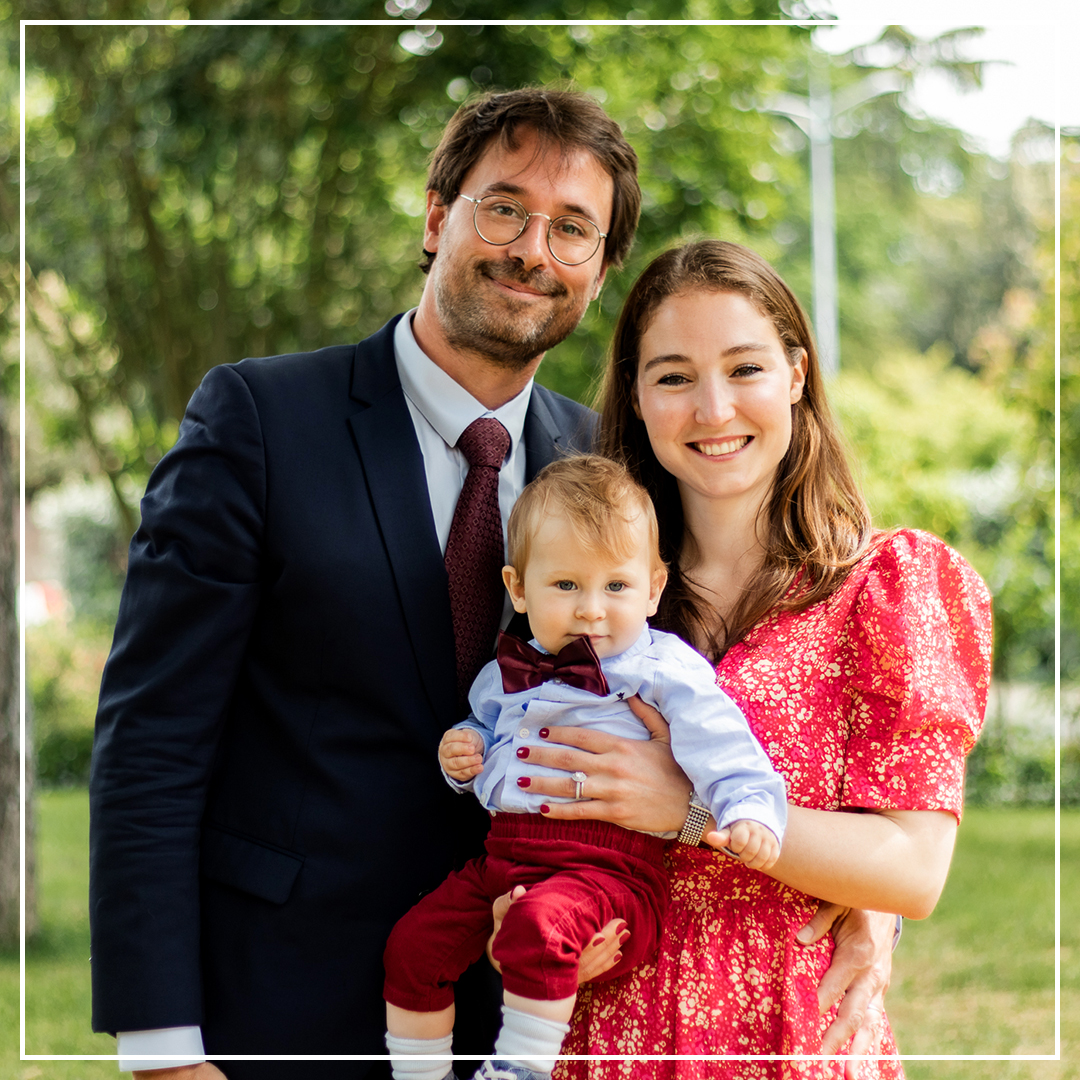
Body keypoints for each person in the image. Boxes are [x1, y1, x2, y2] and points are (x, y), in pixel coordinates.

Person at [88, 87, 648, 1080]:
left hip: (532, 1010)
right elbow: (153, 741)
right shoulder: (258, 419)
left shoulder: (608, 461)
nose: (532, 250)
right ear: (438, 217)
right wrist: (161, 1046)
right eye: (505, 206)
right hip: (280, 1006)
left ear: (600, 271)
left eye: (573, 231)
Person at [509, 240, 991, 1079]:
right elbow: (525, 790)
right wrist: (515, 917)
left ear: (796, 375)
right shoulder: (583, 592)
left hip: (790, 1038)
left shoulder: (886, 586)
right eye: (672, 376)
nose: (713, 408)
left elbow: (913, 871)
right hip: (604, 1038)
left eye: (745, 368)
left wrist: (688, 809)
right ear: (635, 394)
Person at [382, 454, 787, 1080]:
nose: (591, 610)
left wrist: (748, 808)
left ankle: (519, 1070)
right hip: (505, 857)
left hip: (608, 868)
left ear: (654, 587)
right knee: (414, 945)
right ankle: (418, 1074)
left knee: (537, 928)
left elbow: (722, 744)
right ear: (518, 588)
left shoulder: (660, 670)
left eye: (616, 586)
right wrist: (462, 753)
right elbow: (488, 739)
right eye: (566, 586)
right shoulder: (503, 674)